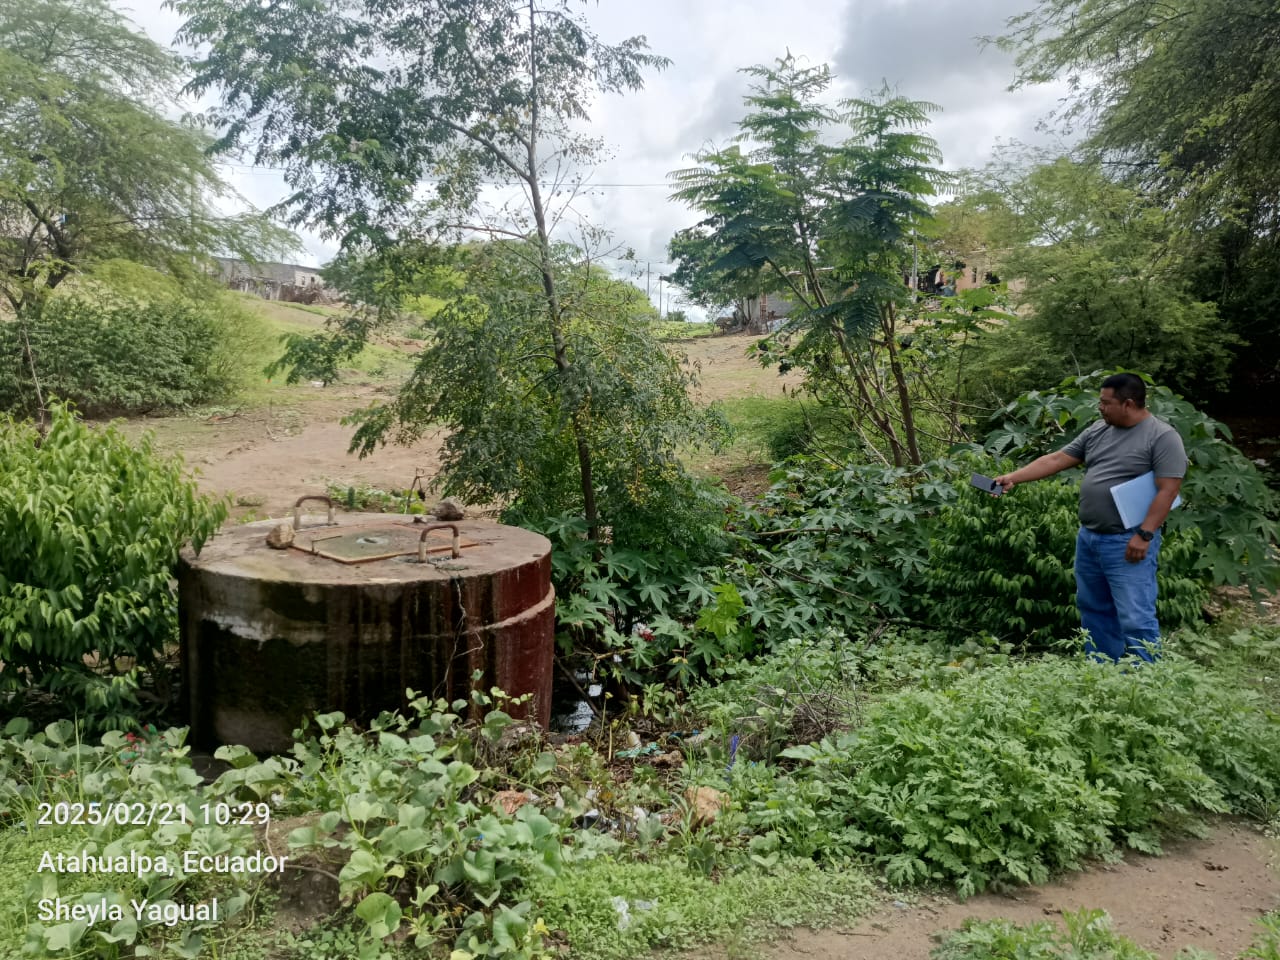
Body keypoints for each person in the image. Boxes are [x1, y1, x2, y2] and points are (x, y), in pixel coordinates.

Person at [994, 373, 1187, 661]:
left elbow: (1168, 489)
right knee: (1093, 608)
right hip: (1090, 537)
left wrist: (1144, 534)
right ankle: (1101, 668)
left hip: (1128, 539)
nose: (1100, 408)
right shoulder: (1099, 429)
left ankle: (1146, 676)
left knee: (1135, 614)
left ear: (1128, 404)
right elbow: (1057, 459)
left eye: (1106, 403)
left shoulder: (1162, 437)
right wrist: (1013, 477)